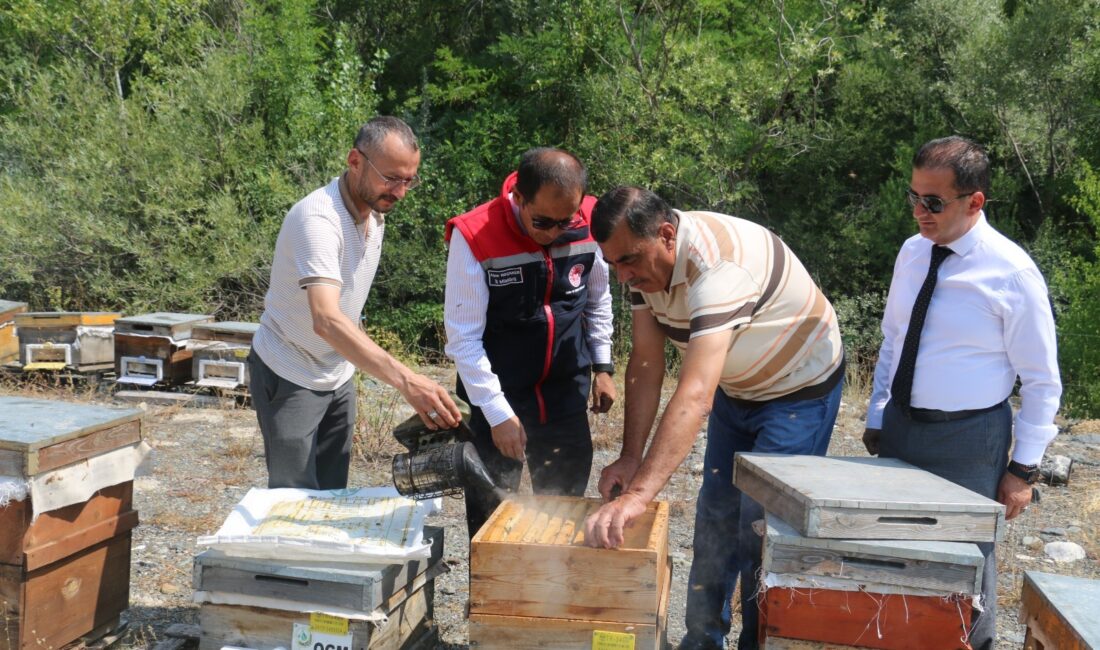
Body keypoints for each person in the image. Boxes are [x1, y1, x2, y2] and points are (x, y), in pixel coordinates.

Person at [583, 187, 845, 650]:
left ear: (667, 235)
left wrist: (639, 494)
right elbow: (646, 362)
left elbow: (695, 395)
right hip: (736, 387)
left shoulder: (719, 272)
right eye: (613, 265)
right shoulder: (645, 267)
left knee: (762, 531)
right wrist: (629, 458)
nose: (623, 277)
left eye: (629, 261)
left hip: (798, 393)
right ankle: (702, 641)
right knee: (716, 517)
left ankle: (760, 643)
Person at [862, 136, 1061, 650]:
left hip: (970, 439)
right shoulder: (912, 253)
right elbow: (893, 341)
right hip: (903, 427)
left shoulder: (1012, 273)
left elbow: (1042, 381)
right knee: (892, 555)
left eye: (933, 202)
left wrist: (1022, 471)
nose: (919, 212)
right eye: (914, 197)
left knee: (967, 573)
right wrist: (878, 414)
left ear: (975, 201)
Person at [249, 116, 461, 490]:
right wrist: (407, 380)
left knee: (332, 492)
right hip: (290, 371)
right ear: (355, 161)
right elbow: (327, 320)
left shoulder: (374, 215)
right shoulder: (319, 220)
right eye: (391, 178)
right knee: (292, 499)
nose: (400, 192)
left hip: (337, 373)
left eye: (409, 180)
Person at [444, 148, 616, 538]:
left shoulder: (591, 220)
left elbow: (598, 299)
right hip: (499, 396)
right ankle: (492, 597)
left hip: (564, 393)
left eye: (565, 221)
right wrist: (496, 413)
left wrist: (603, 366)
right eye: (544, 222)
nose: (556, 232)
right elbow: (463, 338)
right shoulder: (475, 235)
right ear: (518, 198)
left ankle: (551, 593)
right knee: (490, 517)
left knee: (563, 513)